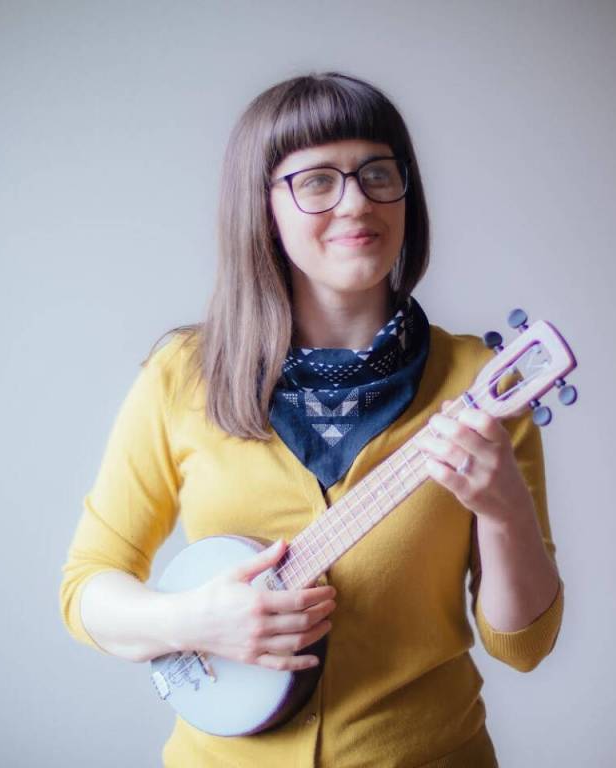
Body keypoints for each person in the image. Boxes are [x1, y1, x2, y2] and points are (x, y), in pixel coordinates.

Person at [59, 71, 564, 767]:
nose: (357, 202)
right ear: (261, 207)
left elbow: (524, 645)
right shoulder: (182, 375)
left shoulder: (479, 386)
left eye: (378, 173)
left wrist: (505, 510)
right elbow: (88, 587)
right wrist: (196, 620)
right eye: (317, 181)